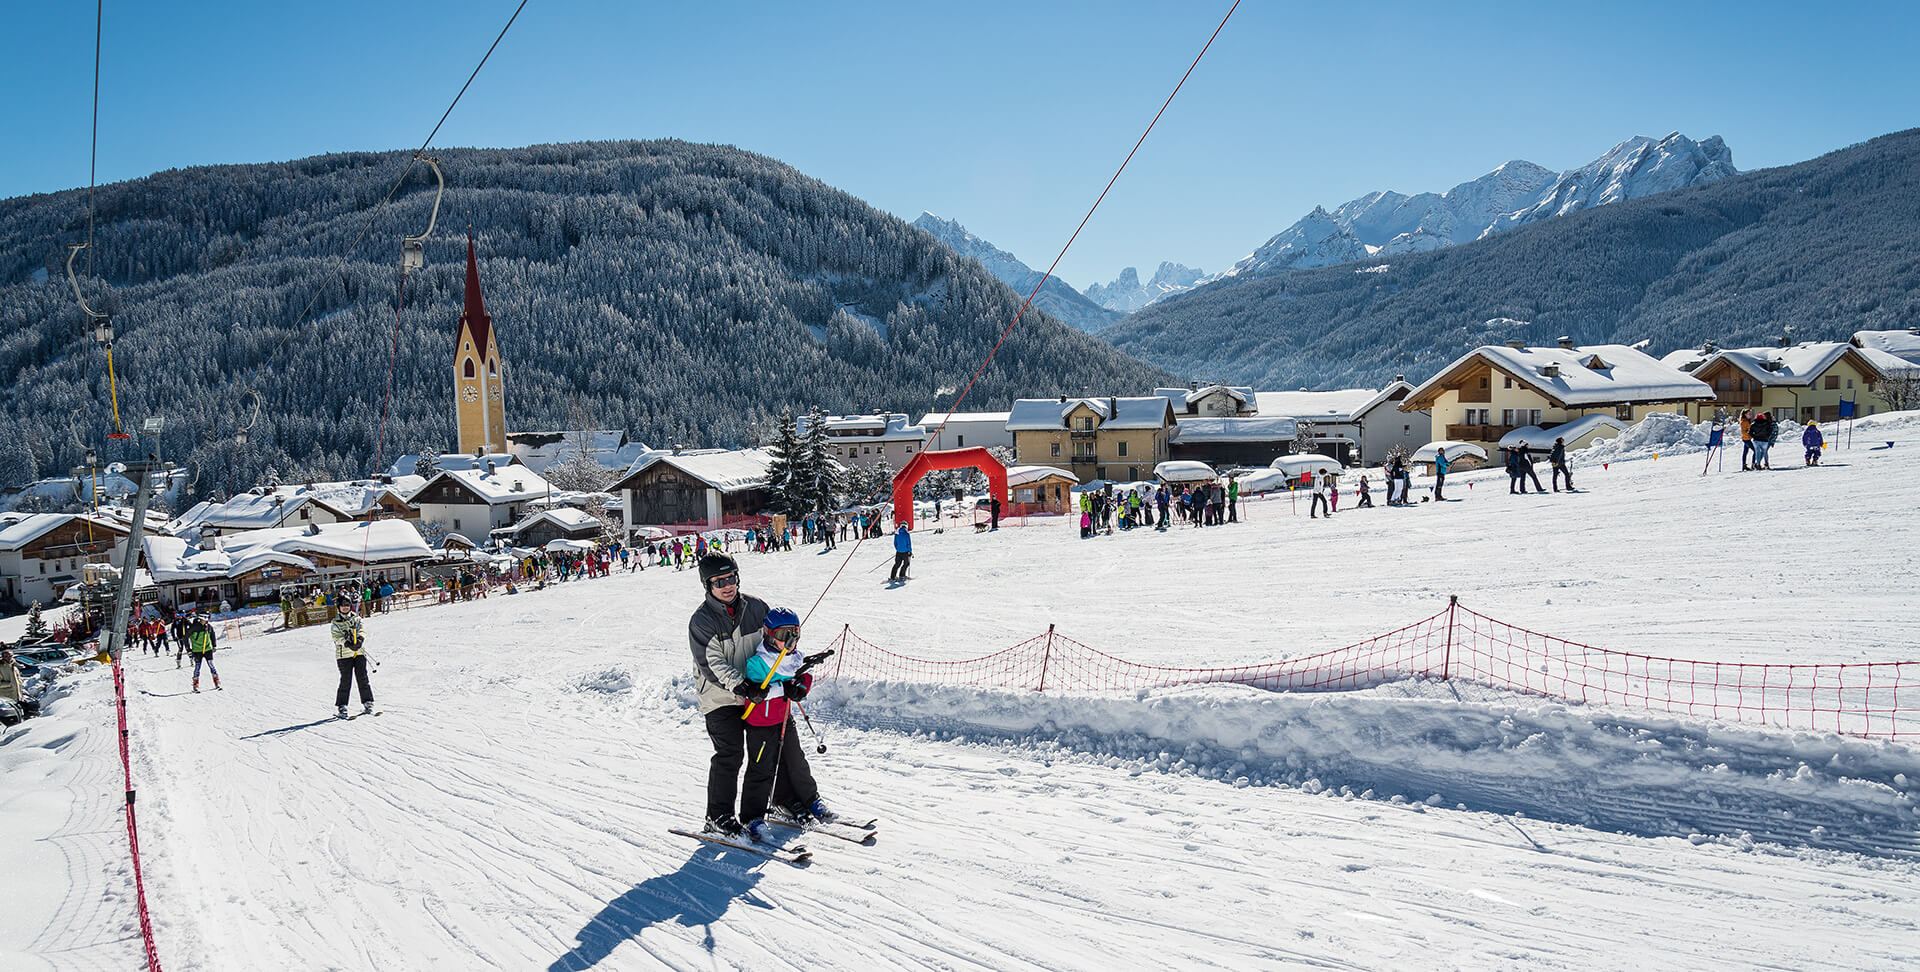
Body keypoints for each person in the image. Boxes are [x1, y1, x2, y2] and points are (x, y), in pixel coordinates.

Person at [688, 557, 832, 840]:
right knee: (730, 754)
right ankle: (719, 815)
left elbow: (777, 647)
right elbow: (711, 663)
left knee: (773, 750)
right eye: (719, 582)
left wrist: (790, 681)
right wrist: (742, 686)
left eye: (731, 578)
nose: (727, 586)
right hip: (722, 698)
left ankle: (782, 800)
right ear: (708, 585)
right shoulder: (702, 621)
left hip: (763, 694)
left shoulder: (756, 607)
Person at [332, 603, 374, 718]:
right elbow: (336, 636)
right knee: (346, 680)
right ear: (339, 608)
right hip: (344, 655)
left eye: (347, 605)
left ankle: (368, 702)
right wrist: (347, 643)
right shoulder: (336, 622)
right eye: (342, 605)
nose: (345, 607)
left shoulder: (356, 618)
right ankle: (342, 705)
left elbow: (362, 630)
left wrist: (360, 640)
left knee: (362, 677)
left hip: (359, 653)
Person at [186, 614, 221, 692]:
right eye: (206, 618)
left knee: (211, 665)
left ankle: (216, 682)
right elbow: (185, 638)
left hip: (208, 649)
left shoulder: (208, 626)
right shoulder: (194, 627)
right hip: (197, 651)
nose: (207, 620)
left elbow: (212, 635)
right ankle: (195, 685)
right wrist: (188, 650)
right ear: (202, 618)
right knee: (197, 667)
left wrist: (214, 645)